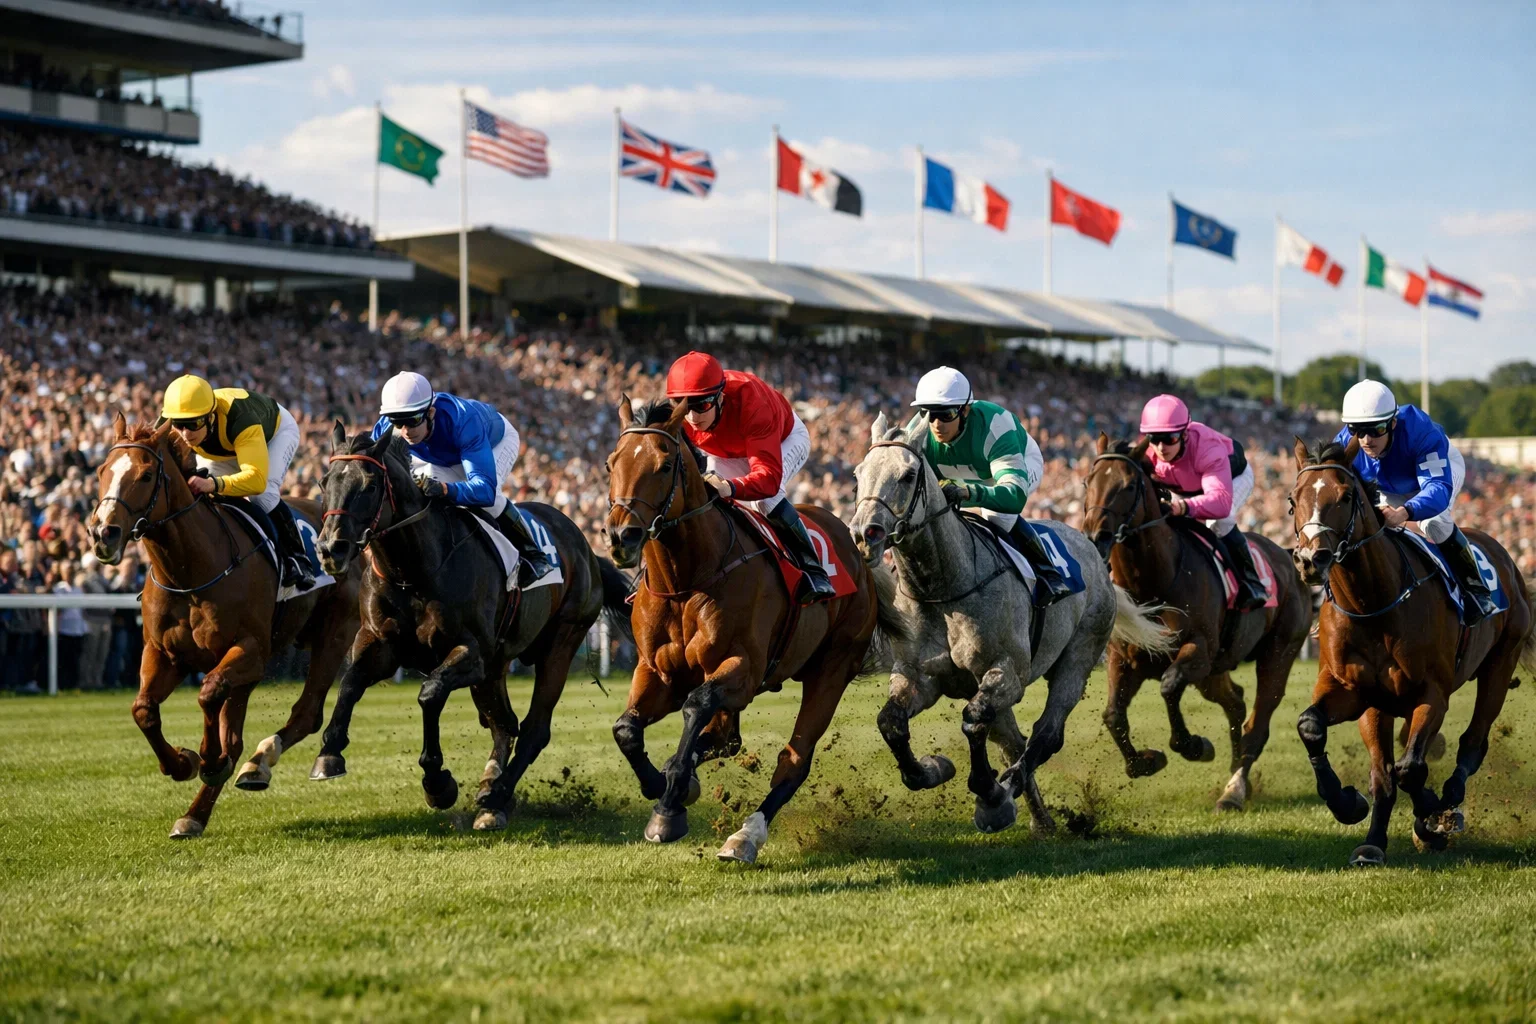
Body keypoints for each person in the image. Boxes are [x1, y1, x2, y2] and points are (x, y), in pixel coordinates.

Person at [664, 351, 836, 604]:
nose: (692, 416)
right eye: (683, 405)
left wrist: (731, 487)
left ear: (721, 396)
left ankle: (814, 571)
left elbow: (767, 478)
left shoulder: (753, 404)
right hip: (724, 452)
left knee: (766, 501)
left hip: (782, 440)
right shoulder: (683, 417)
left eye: (702, 405)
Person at [1335, 379, 1498, 624]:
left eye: (1376, 429)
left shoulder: (1420, 432)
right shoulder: (1346, 442)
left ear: (1392, 423)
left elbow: (1437, 489)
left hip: (1438, 474)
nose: (1366, 440)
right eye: (1357, 430)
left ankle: (1475, 589)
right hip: (1390, 485)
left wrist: (1405, 511)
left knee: (1433, 523)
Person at [907, 366, 1073, 606]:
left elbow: (1014, 496)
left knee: (997, 516)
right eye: (928, 413)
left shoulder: (996, 426)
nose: (936, 424)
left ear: (965, 410)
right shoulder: (918, 432)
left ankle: (1047, 572)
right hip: (966, 476)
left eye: (946, 414)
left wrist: (969, 492)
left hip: (1016, 466)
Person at [372, 371, 552, 586]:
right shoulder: (387, 429)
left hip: (494, 443)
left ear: (430, 412)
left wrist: (446, 489)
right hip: (442, 456)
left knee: (489, 501)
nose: (405, 431)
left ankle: (533, 554)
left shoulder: (463, 420)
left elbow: (483, 490)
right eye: (397, 422)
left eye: (412, 420)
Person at [160, 374, 314, 591]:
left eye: (193, 424)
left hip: (273, 434)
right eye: (178, 424)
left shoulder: (241, 420)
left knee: (263, 495)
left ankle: (297, 558)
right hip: (226, 448)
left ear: (210, 416)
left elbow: (256, 480)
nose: (185, 433)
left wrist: (215, 484)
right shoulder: (176, 414)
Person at [1139, 393, 1266, 612]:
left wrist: (1184, 507)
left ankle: (1251, 582)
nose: (1161, 447)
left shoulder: (1208, 449)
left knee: (1221, 522)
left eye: (1169, 439)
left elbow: (1220, 502)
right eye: (1154, 438)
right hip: (1186, 489)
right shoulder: (1149, 455)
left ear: (1184, 434)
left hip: (1232, 480)